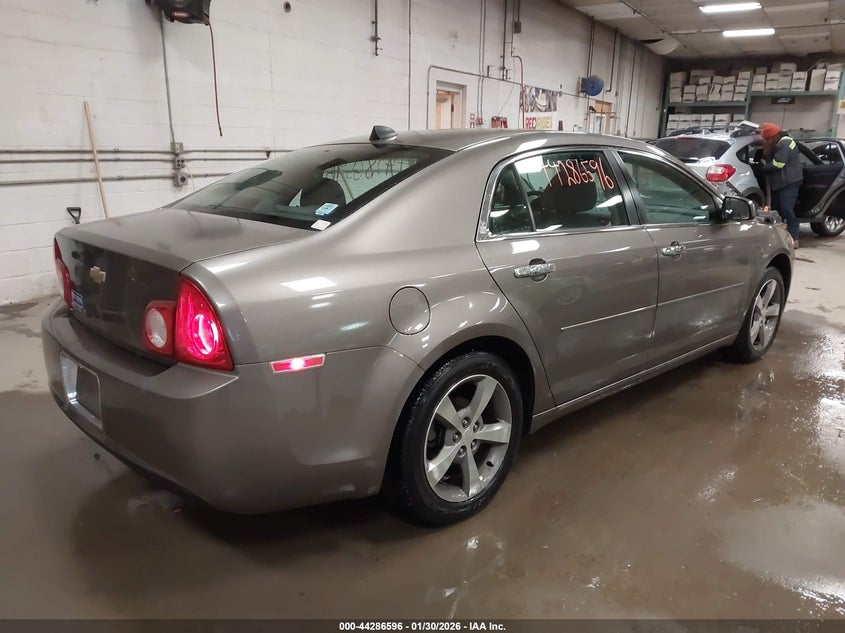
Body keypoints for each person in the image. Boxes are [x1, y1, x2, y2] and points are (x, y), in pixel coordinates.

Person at [759, 122, 803, 247]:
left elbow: (779, 163)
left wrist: (763, 168)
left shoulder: (786, 143)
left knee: (787, 210)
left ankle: (794, 239)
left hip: (789, 182)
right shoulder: (778, 143)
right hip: (780, 183)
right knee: (778, 211)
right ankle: (780, 237)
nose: (765, 142)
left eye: (766, 140)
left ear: (772, 137)